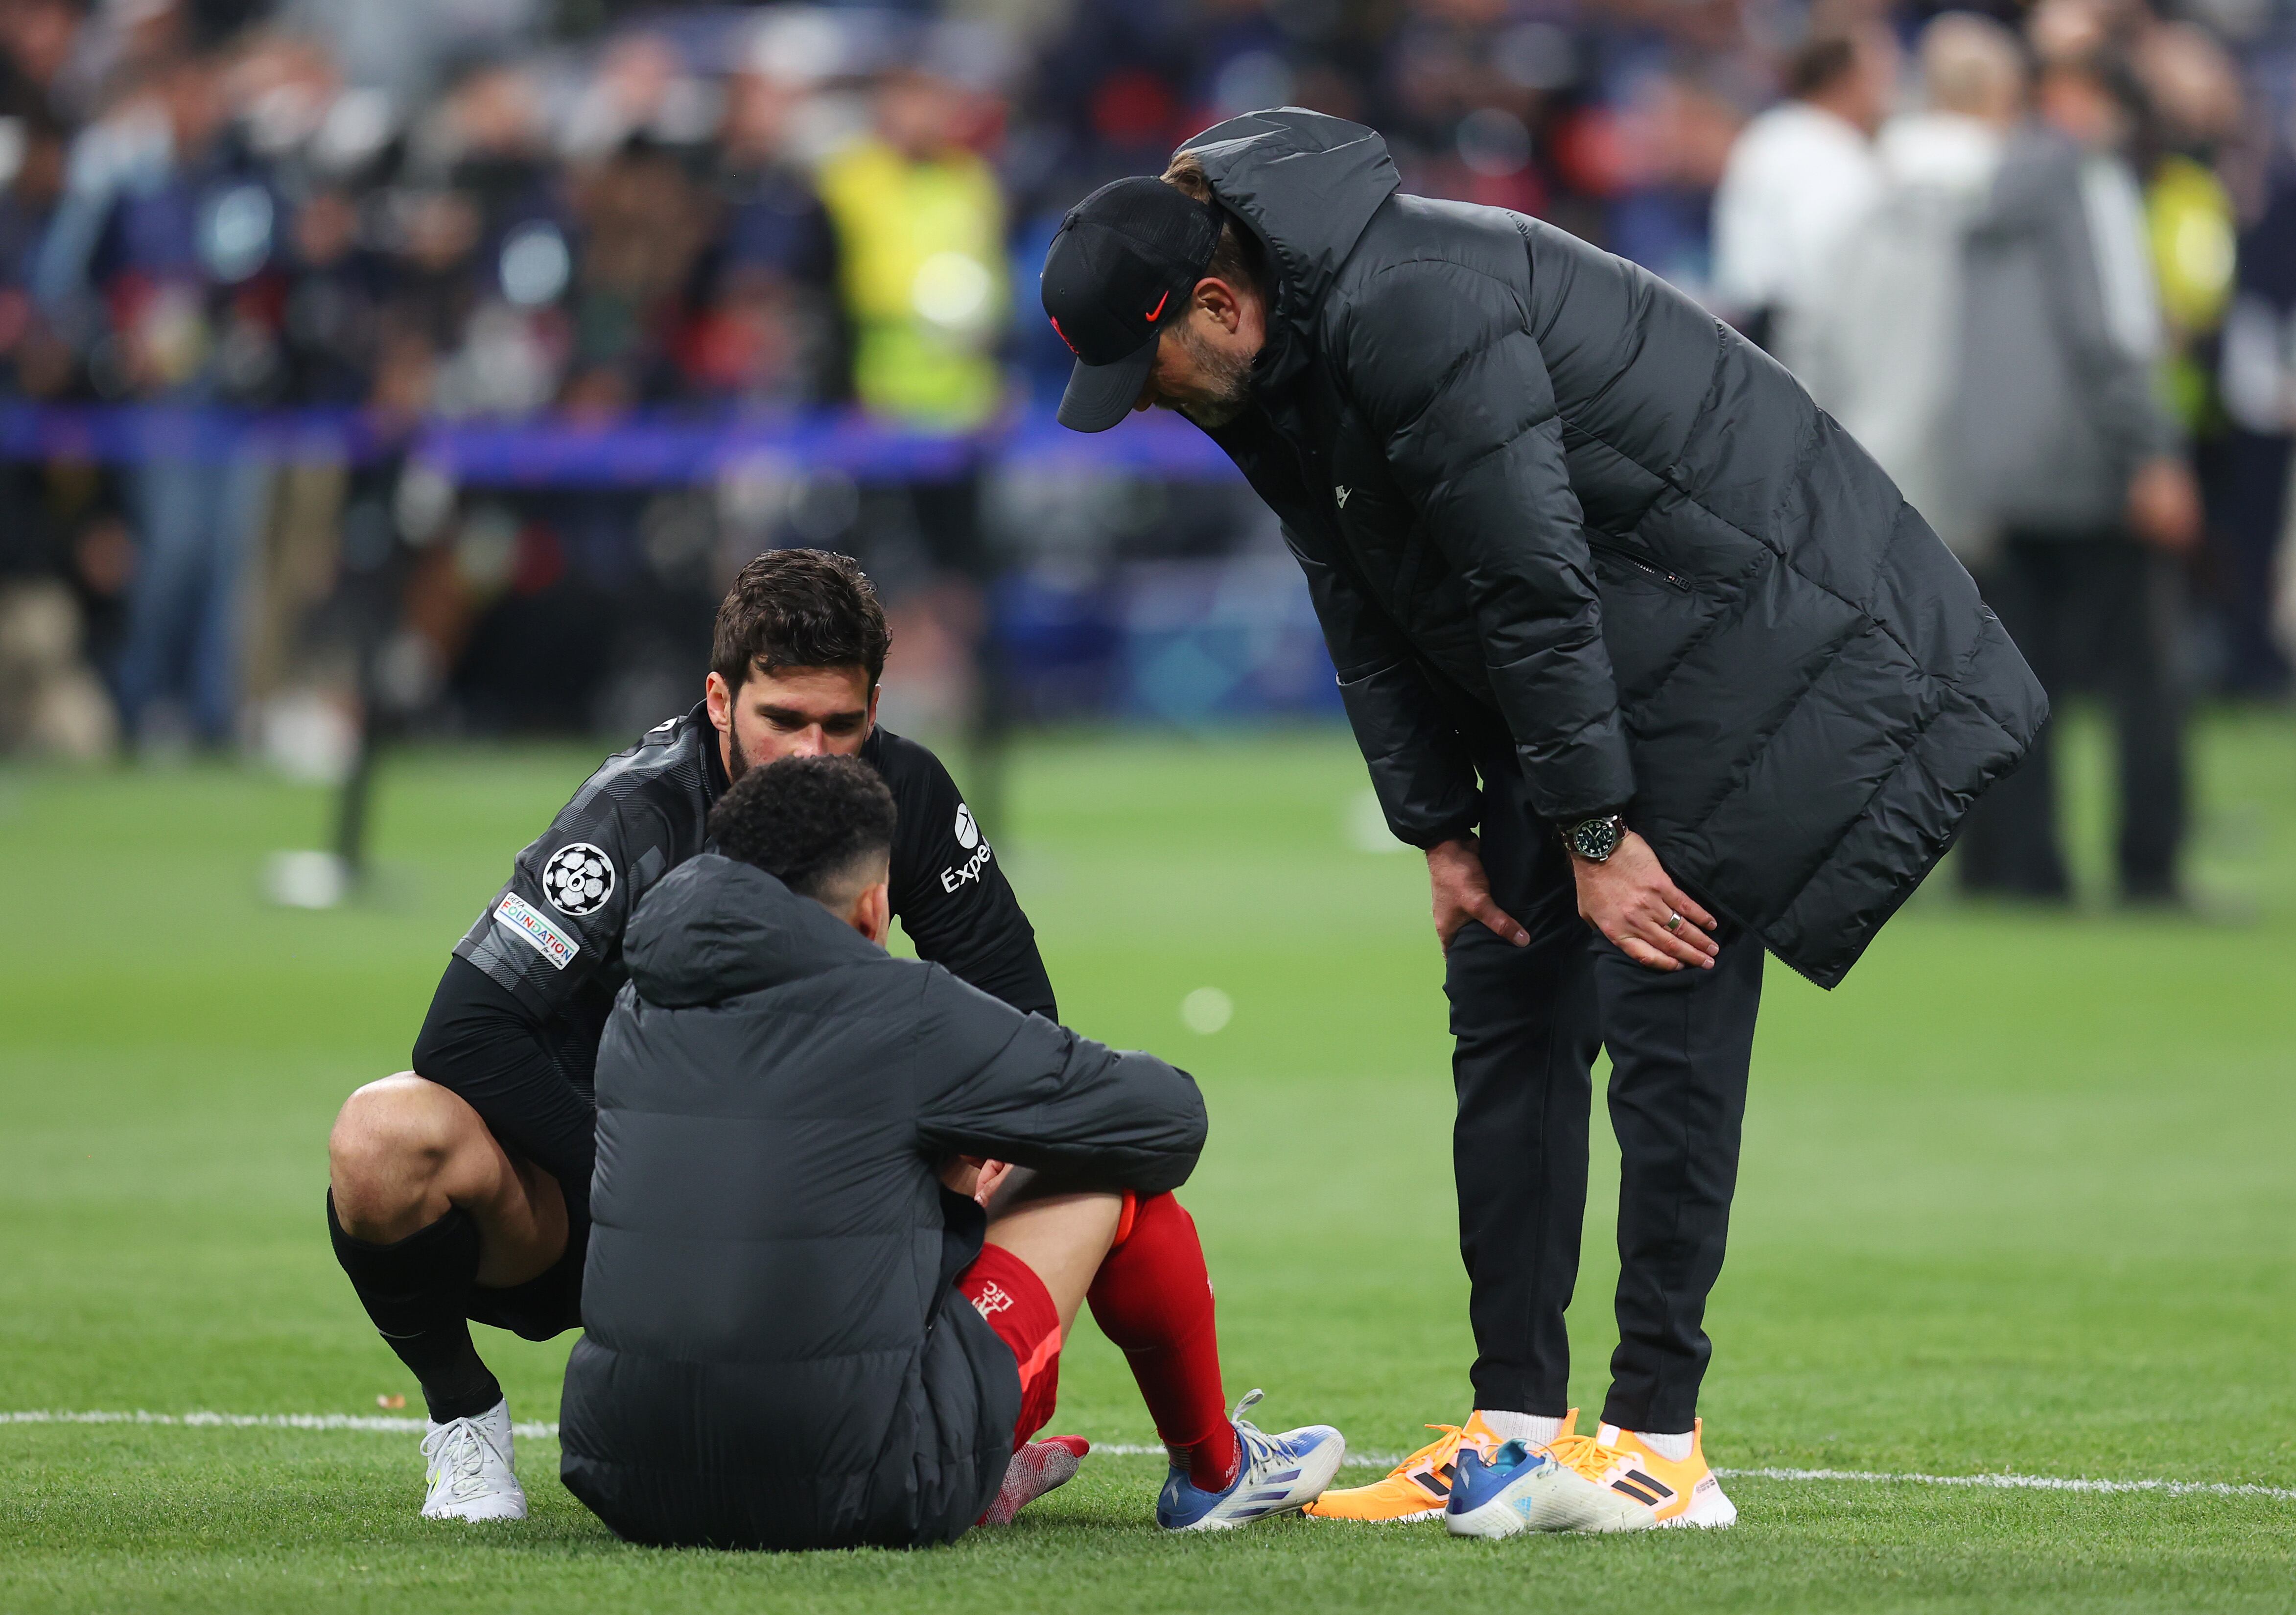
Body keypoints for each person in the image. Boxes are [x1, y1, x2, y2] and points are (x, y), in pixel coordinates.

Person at [1042, 109, 2046, 1529]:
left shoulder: (1413, 305)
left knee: (1663, 1003)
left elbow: (1531, 578)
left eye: (1139, 370)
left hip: (1745, 641)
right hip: (1588, 670)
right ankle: (1515, 1419)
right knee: (1504, 1008)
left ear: (1217, 300)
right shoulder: (1265, 368)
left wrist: (1595, 835)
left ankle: (1659, 1442)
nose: (1139, 399)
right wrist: (1437, 823)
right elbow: (1358, 585)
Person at [327, 549, 1235, 1523]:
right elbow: (464, 1035)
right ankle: (464, 1414)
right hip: (598, 1206)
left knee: (1034, 1139)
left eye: (841, 723)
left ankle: (984, 1434)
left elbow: (1019, 1009)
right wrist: (641, 1179)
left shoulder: (905, 793)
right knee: (383, 1136)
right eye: (783, 720)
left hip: (818, 1204)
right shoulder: (629, 815)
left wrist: (969, 1152)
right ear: (718, 699)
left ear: (877, 704)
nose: (813, 752)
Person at [559, 755, 1346, 1548]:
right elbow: (1166, 1120)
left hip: (626, 1478)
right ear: (875, 904)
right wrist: (981, 1132)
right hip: (859, 1487)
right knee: (1102, 1165)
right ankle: (1216, 1472)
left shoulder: (638, 1001)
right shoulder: (906, 1007)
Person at [1948, 42, 2201, 902]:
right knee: (2146, 676)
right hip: (2091, 462)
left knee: (2017, 681)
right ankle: (2149, 864)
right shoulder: (2087, 180)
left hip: (2000, 467)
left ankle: (2015, 867)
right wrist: (2154, 452)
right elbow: (2114, 333)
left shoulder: (1987, 180)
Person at [1796, 12, 2029, 565]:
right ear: (2003, 93)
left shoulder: (1858, 187)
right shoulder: (2022, 203)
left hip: (1862, 471)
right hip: (1992, 488)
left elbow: (1811, 336)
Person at [1710, 27, 1897, 361]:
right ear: (1845, 80)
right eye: (1878, 75)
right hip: (1796, 329)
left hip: (1750, 325)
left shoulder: (1771, 132)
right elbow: (1822, 249)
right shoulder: (1828, 148)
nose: (1886, 90)